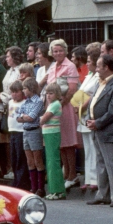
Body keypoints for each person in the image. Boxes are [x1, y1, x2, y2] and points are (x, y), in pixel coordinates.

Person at [86, 55, 113, 207]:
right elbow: (93, 103)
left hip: (109, 129)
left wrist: (98, 122)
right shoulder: (100, 83)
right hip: (97, 128)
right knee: (101, 163)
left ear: (106, 68)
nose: (96, 70)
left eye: (98, 66)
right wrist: (89, 118)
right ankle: (103, 194)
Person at [42, 39, 80, 190]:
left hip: (65, 106)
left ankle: (72, 174)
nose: (57, 53)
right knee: (60, 143)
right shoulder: (52, 68)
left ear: (65, 51)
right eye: (55, 51)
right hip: (54, 107)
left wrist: (60, 103)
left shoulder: (70, 66)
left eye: (60, 50)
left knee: (68, 142)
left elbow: (72, 89)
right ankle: (66, 173)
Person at [76, 48, 101, 191]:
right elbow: (81, 93)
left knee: (93, 148)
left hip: (89, 114)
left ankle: (96, 178)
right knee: (87, 150)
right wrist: (76, 106)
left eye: (90, 62)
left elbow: (92, 95)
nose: (88, 64)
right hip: (82, 115)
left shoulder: (98, 76)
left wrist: (80, 108)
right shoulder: (88, 75)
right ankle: (88, 177)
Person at [16, 78, 45, 196]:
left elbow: (32, 117)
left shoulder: (38, 101)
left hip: (34, 131)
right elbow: (18, 117)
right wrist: (24, 117)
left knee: (37, 159)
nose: (23, 91)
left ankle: (40, 187)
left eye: (25, 88)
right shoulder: (25, 102)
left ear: (31, 88)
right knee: (29, 160)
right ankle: (33, 187)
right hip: (26, 131)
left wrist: (23, 117)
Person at [39, 83, 64, 199]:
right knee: (50, 161)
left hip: (52, 134)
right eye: (47, 93)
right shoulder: (51, 105)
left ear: (57, 94)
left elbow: (43, 120)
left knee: (53, 162)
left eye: (51, 93)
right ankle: (55, 190)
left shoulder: (55, 104)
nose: (48, 96)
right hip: (48, 134)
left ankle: (57, 191)